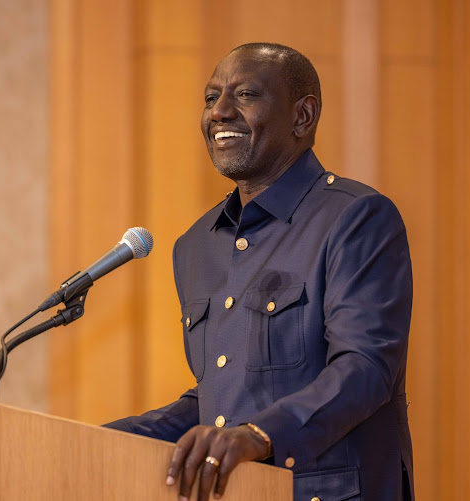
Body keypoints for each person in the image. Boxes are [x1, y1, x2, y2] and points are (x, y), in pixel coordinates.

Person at [105, 42, 414, 501]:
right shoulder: (195, 246)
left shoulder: (357, 218)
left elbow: (364, 369)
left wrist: (258, 434)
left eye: (245, 95)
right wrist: (115, 437)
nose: (220, 112)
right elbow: (221, 400)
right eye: (211, 98)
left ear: (302, 116)